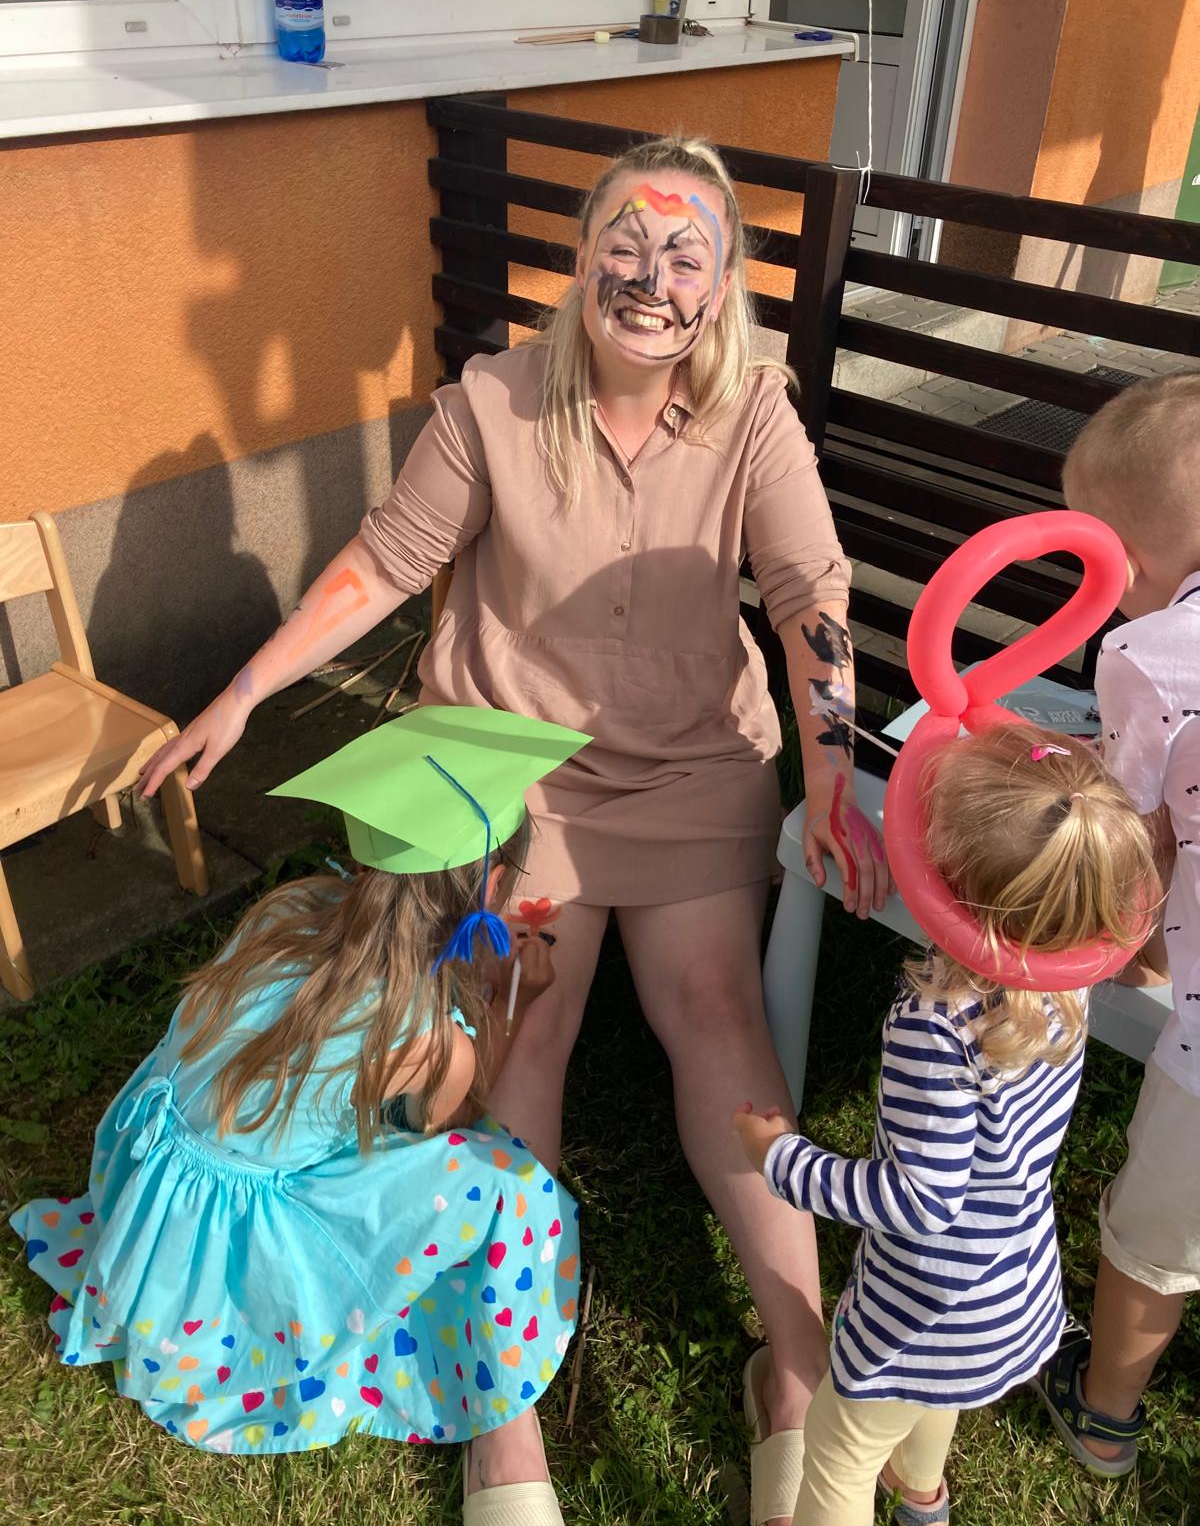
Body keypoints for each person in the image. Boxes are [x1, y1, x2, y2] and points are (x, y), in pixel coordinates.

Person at [136, 135, 889, 1525]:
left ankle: (796, 1369)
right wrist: (240, 692)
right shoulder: (493, 399)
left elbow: (807, 595)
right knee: (526, 1029)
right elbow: (387, 561)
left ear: (722, 282)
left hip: (689, 763)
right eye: (625, 242)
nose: (651, 277)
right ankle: (503, 1413)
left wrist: (833, 773)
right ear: (581, 257)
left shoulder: (755, 410)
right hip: (511, 766)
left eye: (685, 253)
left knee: (719, 1012)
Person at [12, 706, 589, 1525]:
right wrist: (508, 998)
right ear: (493, 888)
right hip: (226, 1263)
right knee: (507, 1186)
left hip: (149, 1197)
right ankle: (489, 1379)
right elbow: (442, 1127)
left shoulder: (292, 908)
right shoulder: (428, 1039)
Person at [733, 722, 1159, 1526]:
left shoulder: (934, 1025)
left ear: (950, 892)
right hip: (1010, 1285)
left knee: (837, 1452)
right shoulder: (1062, 988)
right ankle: (922, 1499)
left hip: (919, 1312)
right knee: (936, 1400)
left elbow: (920, 1200)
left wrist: (781, 1159)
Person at [1034, 371, 1200, 1476]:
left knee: (1157, 1235)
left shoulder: (1150, 655)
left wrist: (1122, 945)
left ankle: (1103, 1416)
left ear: (1121, 566)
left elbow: (1136, 844)